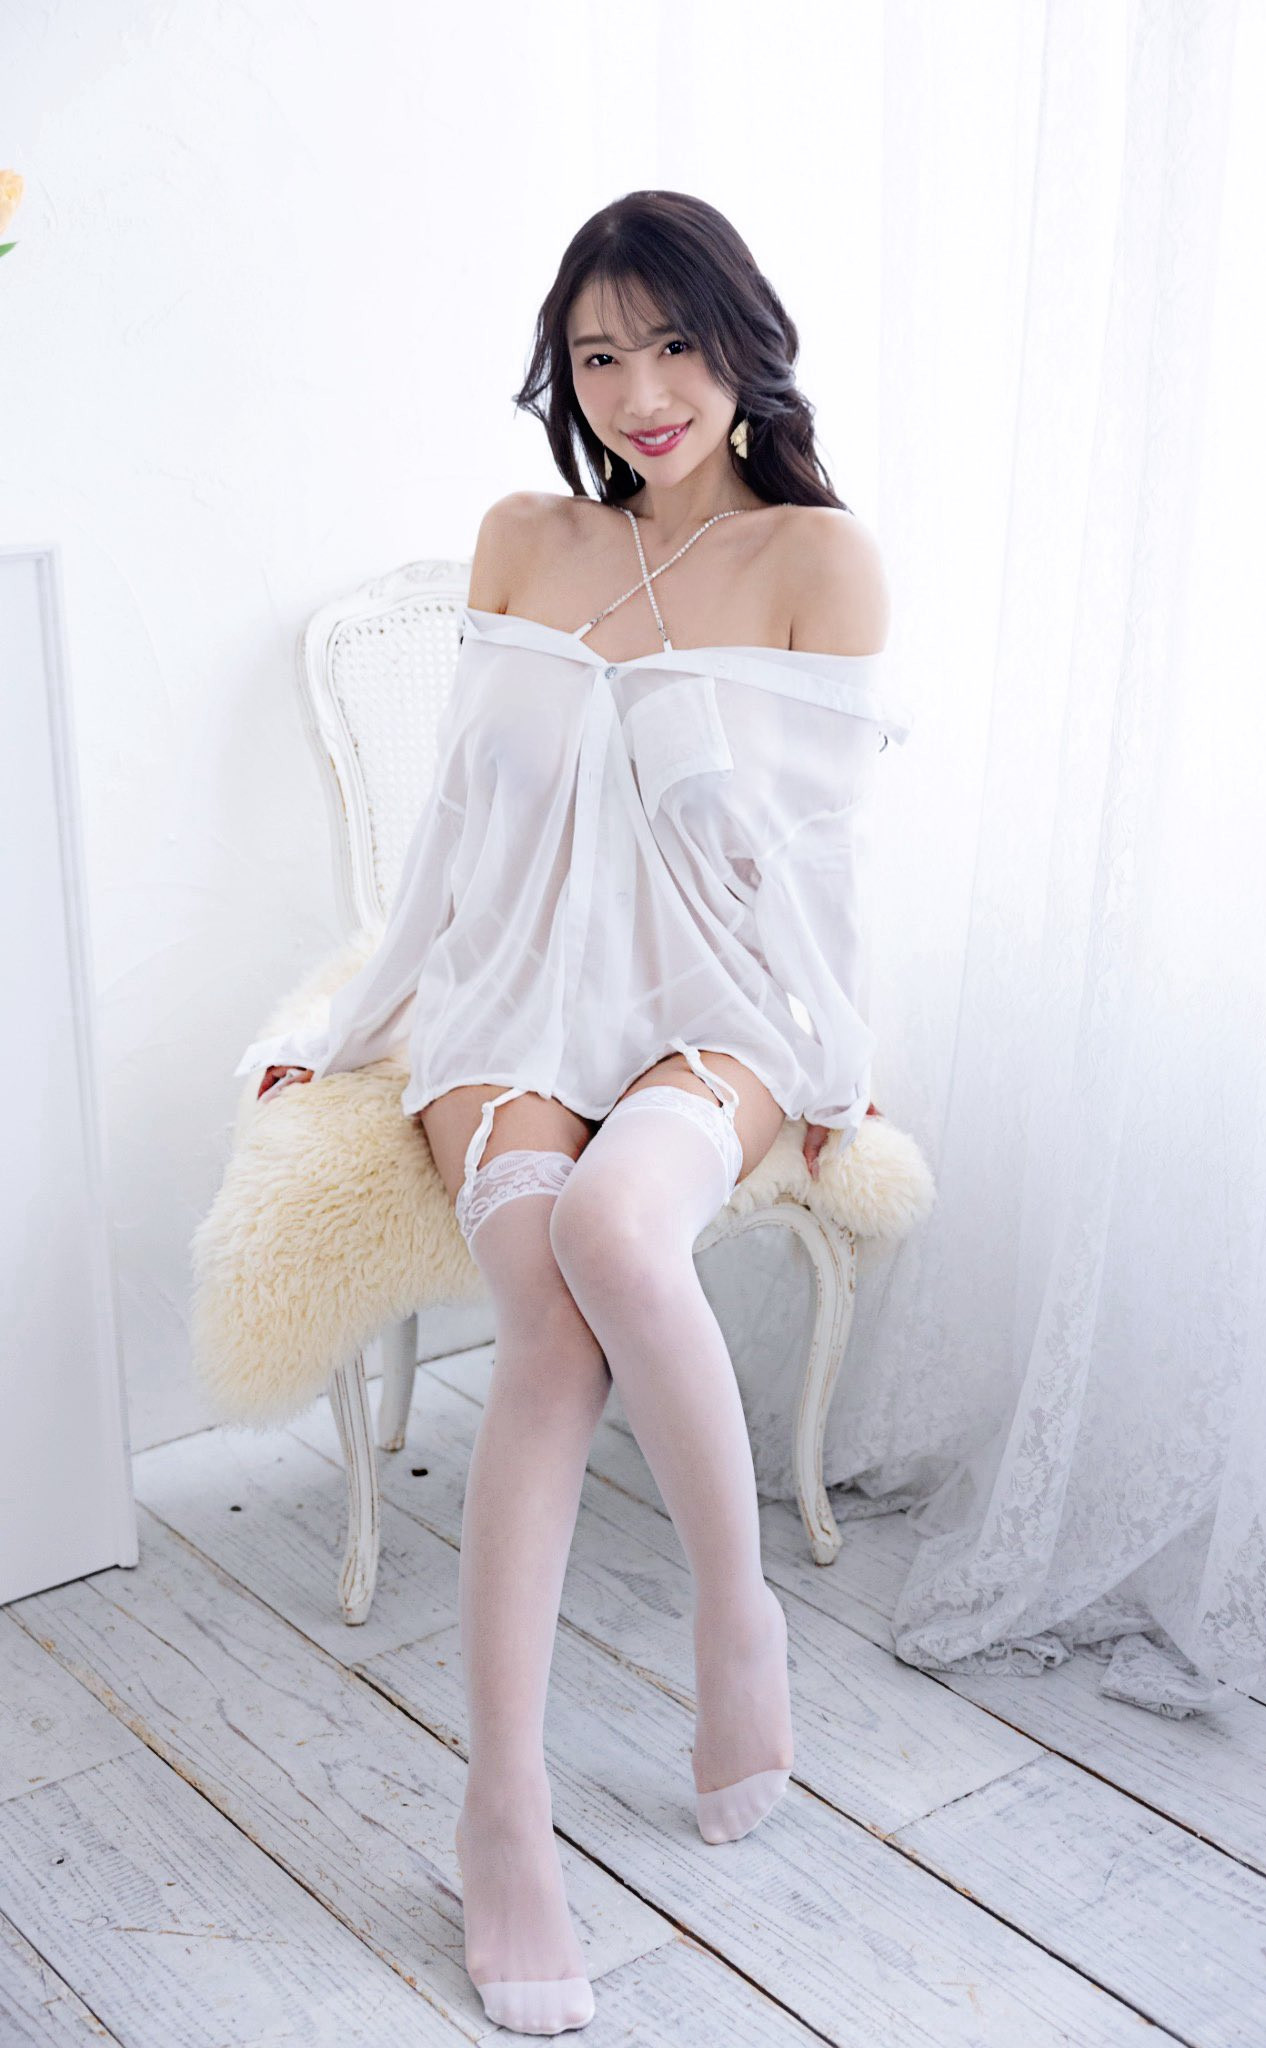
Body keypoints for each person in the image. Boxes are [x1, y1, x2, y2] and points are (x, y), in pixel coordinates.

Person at [241, 189, 902, 2037]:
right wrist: (355, 1022)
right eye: (600, 355)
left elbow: (817, 869)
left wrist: (837, 1068)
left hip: (715, 997)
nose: (641, 392)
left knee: (620, 1228)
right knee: (548, 1300)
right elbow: (460, 825)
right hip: (509, 998)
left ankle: (733, 1620)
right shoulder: (523, 539)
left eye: (674, 345)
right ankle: (501, 1808)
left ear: (744, 344)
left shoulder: (819, 562)